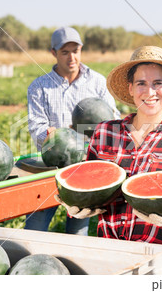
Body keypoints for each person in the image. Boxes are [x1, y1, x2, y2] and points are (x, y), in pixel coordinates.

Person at [55, 46, 162, 275]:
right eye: (141, 83)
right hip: (109, 255)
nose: (150, 91)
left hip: (161, 256)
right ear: (130, 88)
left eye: (158, 83)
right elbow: (89, 185)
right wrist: (76, 208)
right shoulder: (105, 132)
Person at [26, 27, 120, 235]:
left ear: (81, 51)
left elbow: (113, 118)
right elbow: (36, 126)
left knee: (79, 230)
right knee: (34, 229)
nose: (72, 57)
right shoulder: (39, 87)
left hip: (86, 165)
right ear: (53, 53)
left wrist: (95, 132)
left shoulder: (97, 82)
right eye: (65, 52)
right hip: (51, 166)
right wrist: (49, 134)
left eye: (75, 51)